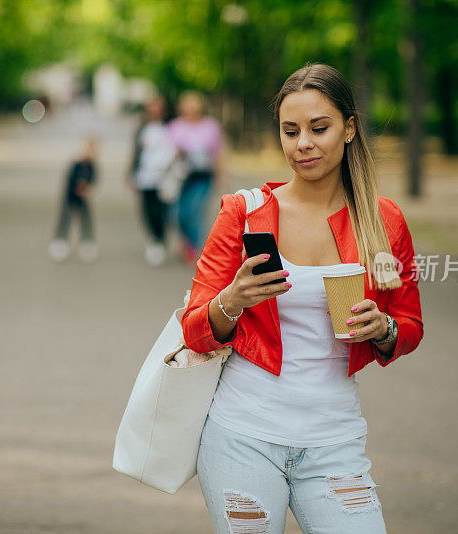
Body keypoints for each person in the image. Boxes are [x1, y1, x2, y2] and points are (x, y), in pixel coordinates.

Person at [181, 64, 424, 533]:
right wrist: (233, 299)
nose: (302, 144)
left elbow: (410, 325)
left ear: (349, 128)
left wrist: (384, 329)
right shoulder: (244, 214)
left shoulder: (384, 220)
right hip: (241, 436)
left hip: (335, 439)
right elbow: (195, 329)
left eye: (319, 128)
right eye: (290, 131)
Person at [167, 91, 225, 265]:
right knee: (177, 213)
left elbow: (218, 153)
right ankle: (185, 241)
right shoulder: (175, 126)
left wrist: (220, 175)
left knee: (194, 211)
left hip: (202, 176)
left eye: (194, 106)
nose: (191, 110)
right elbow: (167, 153)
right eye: (187, 106)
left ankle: (195, 248)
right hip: (180, 177)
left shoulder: (210, 126)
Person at [128, 96, 176, 267]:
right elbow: (136, 153)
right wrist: (131, 174)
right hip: (144, 177)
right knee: (146, 211)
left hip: (164, 179)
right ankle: (154, 239)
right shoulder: (142, 129)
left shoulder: (171, 128)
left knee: (161, 211)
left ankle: (160, 241)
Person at [48, 137, 99, 262]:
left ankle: (87, 244)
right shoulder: (76, 164)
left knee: (86, 220)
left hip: (83, 198)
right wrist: (76, 187)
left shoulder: (92, 166)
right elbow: (69, 180)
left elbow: (94, 180)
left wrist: (87, 188)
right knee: (65, 219)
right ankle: (60, 242)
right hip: (70, 196)